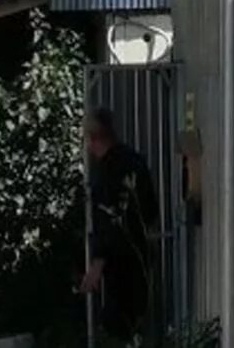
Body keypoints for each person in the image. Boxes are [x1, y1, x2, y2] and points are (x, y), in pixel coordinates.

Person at [80, 107, 159, 345]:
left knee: (116, 325)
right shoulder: (135, 160)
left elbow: (108, 221)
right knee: (138, 321)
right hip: (141, 254)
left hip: (119, 262)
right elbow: (151, 209)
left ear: (94, 138)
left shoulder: (104, 174)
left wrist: (97, 265)